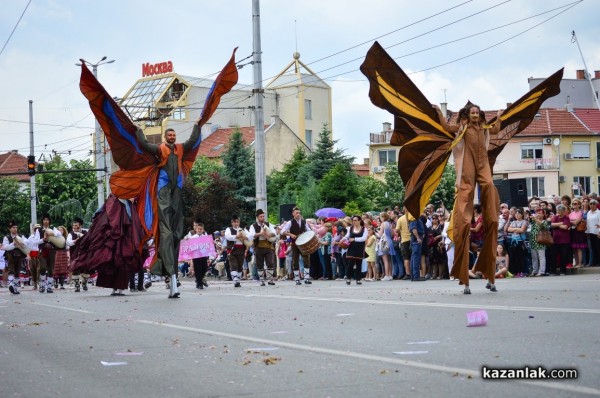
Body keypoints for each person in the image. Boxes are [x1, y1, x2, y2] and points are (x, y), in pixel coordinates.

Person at [435, 104, 502, 294]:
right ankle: (465, 280)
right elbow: (447, 129)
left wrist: (499, 116)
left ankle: (491, 208)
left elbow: (497, 129)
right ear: (468, 114)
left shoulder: (485, 127)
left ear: (479, 115)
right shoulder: (463, 127)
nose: (474, 115)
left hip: (483, 165)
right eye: (471, 113)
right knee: (465, 210)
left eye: (476, 113)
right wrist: (440, 113)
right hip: (468, 167)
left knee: (489, 185)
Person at [133, 126, 204, 298]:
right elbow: (143, 144)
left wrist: (197, 125)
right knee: (166, 230)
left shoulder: (180, 147)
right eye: (169, 135)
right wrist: (137, 131)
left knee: (175, 229)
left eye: (174, 135)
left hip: (177, 187)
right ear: (165, 137)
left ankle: (169, 273)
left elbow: (193, 141)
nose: (172, 137)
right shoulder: (159, 148)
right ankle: (166, 268)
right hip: (163, 186)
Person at [281, 207, 313, 285]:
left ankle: (306, 278)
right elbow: (282, 231)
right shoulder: (290, 222)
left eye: (299, 213)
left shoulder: (304, 222)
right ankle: (297, 279)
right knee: (295, 260)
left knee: (307, 260)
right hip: (295, 244)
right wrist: (290, 234)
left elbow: (309, 231)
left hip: (303, 243)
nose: (298, 214)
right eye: (296, 213)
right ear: (293, 214)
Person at [247, 209, 277, 286]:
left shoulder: (268, 224)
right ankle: (262, 280)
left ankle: (270, 279)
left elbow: (274, 233)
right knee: (259, 264)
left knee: (270, 263)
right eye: (261, 216)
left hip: (268, 246)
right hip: (258, 247)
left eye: (263, 216)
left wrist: (269, 235)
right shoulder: (253, 226)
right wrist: (260, 234)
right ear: (257, 217)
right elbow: (251, 235)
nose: (262, 218)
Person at [36, 214, 63, 294]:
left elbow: (60, 234)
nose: (46, 221)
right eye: (44, 220)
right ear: (42, 221)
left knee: (51, 268)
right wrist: (42, 240)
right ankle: (43, 284)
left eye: (47, 220)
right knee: (43, 267)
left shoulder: (53, 229)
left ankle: (49, 286)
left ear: (49, 221)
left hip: (52, 251)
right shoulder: (39, 230)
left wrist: (52, 234)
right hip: (42, 250)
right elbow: (36, 241)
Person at [3, 221, 28, 294]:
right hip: (10, 256)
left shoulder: (21, 236)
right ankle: (11, 285)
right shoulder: (7, 237)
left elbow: (26, 242)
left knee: (17, 272)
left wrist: (22, 243)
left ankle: (14, 287)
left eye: (16, 227)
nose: (15, 229)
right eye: (13, 227)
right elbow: (6, 247)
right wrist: (14, 244)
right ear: (9, 229)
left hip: (19, 256)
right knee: (11, 270)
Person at [186, 219, 210, 290]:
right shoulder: (193, 237)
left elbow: (208, 246)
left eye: (201, 229)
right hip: (196, 256)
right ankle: (199, 283)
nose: (199, 230)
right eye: (198, 229)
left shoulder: (205, 237)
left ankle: (200, 279)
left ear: (203, 230)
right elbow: (189, 247)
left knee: (204, 268)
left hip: (203, 255)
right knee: (198, 269)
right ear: (196, 229)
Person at [66, 217, 89, 292]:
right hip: (75, 254)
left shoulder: (86, 231)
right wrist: (75, 241)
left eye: (77, 225)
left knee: (86, 270)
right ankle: (77, 285)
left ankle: (84, 283)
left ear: (81, 225)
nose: (75, 227)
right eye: (74, 226)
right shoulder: (71, 234)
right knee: (75, 269)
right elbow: (68, 242)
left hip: (85, 254)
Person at [344, 216, 368, 285]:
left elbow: (363, 238)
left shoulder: (364, 229)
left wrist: (354, 239)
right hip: (351, 247)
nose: (354, 222)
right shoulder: (350, 228)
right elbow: (347, 236)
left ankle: (358, 279)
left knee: (358, 264)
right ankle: (348, 278)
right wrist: (343, 239)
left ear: (359, 221)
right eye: (353, 220)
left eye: (355, 220)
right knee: (350, 264)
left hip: (359, 248)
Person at [225, 215, 247, 288]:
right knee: (234, 265)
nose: (236, 224)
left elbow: (249, 236)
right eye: (234, 222)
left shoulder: (242, 229)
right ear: (232, 223)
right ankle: (235, 281)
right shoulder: (229, 229)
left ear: (239, 222)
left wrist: (245, 237)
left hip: (241, 250)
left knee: (240, 266)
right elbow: (228, 236)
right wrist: (236, 236)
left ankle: (238, 281)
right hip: (232, 250)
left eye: (237, 222)